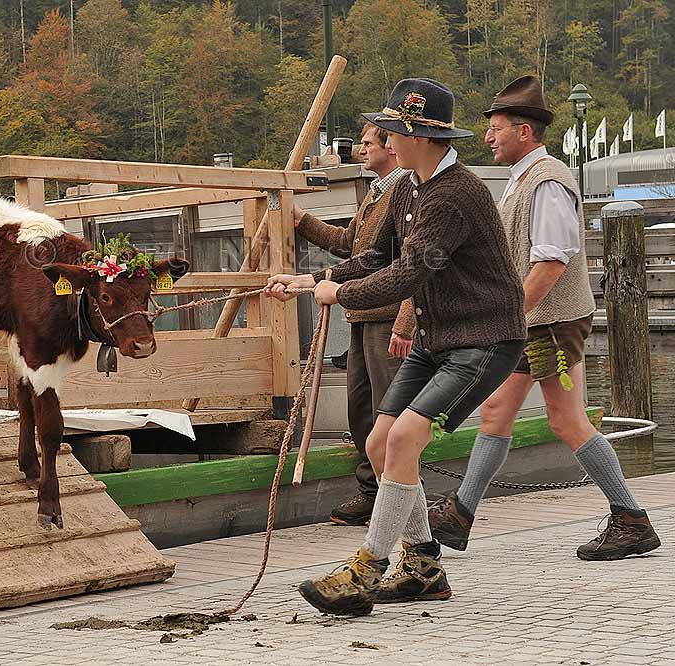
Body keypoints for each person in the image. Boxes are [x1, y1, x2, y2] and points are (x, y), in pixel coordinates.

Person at [266, 77, 526, 616]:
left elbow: (408, 274)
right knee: (381, 444)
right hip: (439, 336)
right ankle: (425, 565)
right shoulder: (411, 185)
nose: (383, 138)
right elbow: (377, 255)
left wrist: (338, 293)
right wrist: (312, 278)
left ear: (420, 137)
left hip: (485, 338)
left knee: (405, 436)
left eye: (392, 130)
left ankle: (367, 569)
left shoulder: (455, 196)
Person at [428, 75, 661, 561]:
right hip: (535, 321)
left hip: (548, 321)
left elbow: (551, 262)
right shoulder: (526, 178)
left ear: (524, 132)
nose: (488, 136)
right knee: (498, 412)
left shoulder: (547, 180)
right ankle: (460, 516)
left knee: (566, 419)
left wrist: (506, 316)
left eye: (496, 128)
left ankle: (631, 519)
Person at [293, 122, 414, 527]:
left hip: (386, 317)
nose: (360, 150)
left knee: (389, 411)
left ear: (390, 149)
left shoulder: (402, 192)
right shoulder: (376, 194)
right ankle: (373, 491)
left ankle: (397, 495)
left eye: (367, 144)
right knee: (360, 410)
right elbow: (350, 244)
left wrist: (405, 322)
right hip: (363, 315)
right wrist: (302, 220)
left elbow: (400, 264)